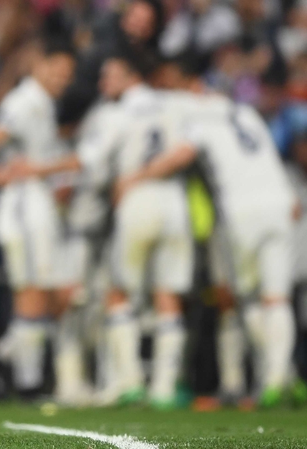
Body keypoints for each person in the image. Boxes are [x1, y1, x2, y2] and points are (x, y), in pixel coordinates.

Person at [10, 51, 194, 408]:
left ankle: (125, 382)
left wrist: (37, 169)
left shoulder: (116, 113)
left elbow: (86, 160)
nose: (103, 83)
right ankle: (164, 388)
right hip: (175, 203)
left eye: (110, 75)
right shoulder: (176, 104)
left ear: (131, 74)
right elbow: (189, 148)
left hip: (127, 204)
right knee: (167, 295)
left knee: (113, 295)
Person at [115, 67, 299, 408]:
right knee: (278, 298)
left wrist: (135, 177)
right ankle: (280, 377)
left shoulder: (199, 117)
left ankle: (277, 378)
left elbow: (178, 156)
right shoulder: (246, 112)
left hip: (241, 211)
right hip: (281, 201)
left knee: (245, 300)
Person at [0, 39, 76, 401]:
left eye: (67, 74)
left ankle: (5, 362)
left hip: (36, 207)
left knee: (44, 296)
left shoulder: (44, 103)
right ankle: (23, 378)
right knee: (36, 295)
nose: (62, 79)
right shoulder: (25, 101)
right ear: (37, 65)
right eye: (56, 70)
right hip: (24, 209)